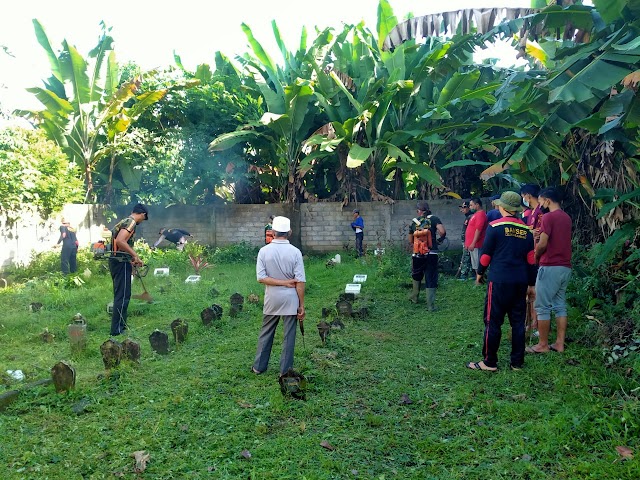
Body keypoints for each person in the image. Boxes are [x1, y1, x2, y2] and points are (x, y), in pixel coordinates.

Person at [466, 191, 537, 372]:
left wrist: (479, 274)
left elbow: (486, 255)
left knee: (493, 321)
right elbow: (531, 260)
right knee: (518, 322)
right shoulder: (527, 231)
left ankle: (489, 362)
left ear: (503, 207)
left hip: (499, 281)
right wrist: (531, 284)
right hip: (520, 282)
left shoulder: (495, 226)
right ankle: (517, 363)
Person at [252, 216, 306, 375]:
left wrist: (281, 283)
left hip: (272, 298)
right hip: (290, 299)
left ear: (273, 232)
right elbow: (300, 282)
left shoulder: (264, 251)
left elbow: (261, 278)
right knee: (289, 336)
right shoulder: (295, 252)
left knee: (266, 332)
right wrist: (301, 305)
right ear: (289, 232)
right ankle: (285, 370)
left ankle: (258, 367)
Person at [526, 187, 572, 354]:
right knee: (560, 305)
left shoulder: (548, 217)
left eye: (540, 201)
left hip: (550, 265)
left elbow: (543, 244)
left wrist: (536, 254)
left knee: (542, 306)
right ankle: (559, 343)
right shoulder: (566, 217)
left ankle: (542, 344)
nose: (540, 205)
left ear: (547, 200)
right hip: (565, 266)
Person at [109, 204, 149, 336]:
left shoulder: (124, 221)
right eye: (144, 219)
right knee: (122, 296)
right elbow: (121, 241)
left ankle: (121, 325)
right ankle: (117, 330)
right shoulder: (131, 222)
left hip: (118, 261)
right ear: (142, 214)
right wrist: (135, 255)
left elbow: (121, 244)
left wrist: (132, 260)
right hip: (120, 262)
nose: (142, 221)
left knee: (122, 294)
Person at [408, 201, 446, 311]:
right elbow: (442, 232)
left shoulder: (414, 222)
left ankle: (414, 297)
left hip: (417, 254)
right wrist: (438, 241)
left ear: (418, 211)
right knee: (431, 276)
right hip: (431, 253)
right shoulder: (434, 219)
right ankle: (431, 305)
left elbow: (410, 240)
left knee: (417, 274)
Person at [520, 183, 543, 333]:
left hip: (539, 255)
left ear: (528, 195)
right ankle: (532, 322)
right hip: (531, 254)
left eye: (523, 196)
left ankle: (536, 323)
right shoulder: (533, 211)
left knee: (535, 291)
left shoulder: (540, 211)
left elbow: (540, 232)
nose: (524, 199)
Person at [465, 198, 488, 277]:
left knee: (478, 263)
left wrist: (473, 243)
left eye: (471, 205)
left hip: (477, 244)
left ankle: (480, 280)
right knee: (475, 263)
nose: (470, 207)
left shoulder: (480, 215)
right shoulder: (476, 214)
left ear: (477, 205)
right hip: (473, 244)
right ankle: (478, 279)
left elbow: (478, 230)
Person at [457, 200, 473, 281]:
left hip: (468, 241)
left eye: (464, 207)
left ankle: (464, 275)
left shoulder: (471, 217)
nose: (461, 210)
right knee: (467, 257)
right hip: (466, 241)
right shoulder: (468, 217)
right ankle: (469, 274)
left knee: (466, 258)